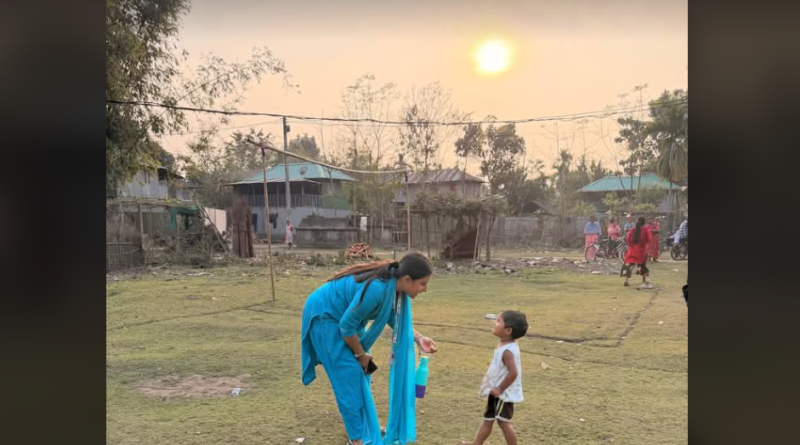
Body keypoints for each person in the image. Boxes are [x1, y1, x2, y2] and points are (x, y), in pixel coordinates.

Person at [301, 252, 439, 445]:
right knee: (349, 375)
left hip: (346, 318)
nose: (425, 289)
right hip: (325, 316)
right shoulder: (378, 288)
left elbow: (393, 317)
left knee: (363, 373)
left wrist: (418, 338)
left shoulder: (393, 289)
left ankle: (365, 428)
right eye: (423, 284)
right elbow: (346, 326)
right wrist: (360, 355)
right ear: (407, 279)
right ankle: (357, 439)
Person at [457, 310, 528, 445]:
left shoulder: (508, 351)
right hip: (495, 391)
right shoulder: (504, 344)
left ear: (508, 330)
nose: (495, 323)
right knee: (488, 419)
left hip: (503, 394)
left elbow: (513, 373)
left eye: (498, 322)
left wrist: (500, 389)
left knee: (503, 422)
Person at [621, 216, 653, 289]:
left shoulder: (633, 229)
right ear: (644, 222)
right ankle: (644, 280)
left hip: (632, 250)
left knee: (630, 265)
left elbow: (628, 239)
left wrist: (631, 246)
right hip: (641, 251)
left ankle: (626, 280)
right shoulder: (646, 229)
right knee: (642, 266)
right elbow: (649, 240)